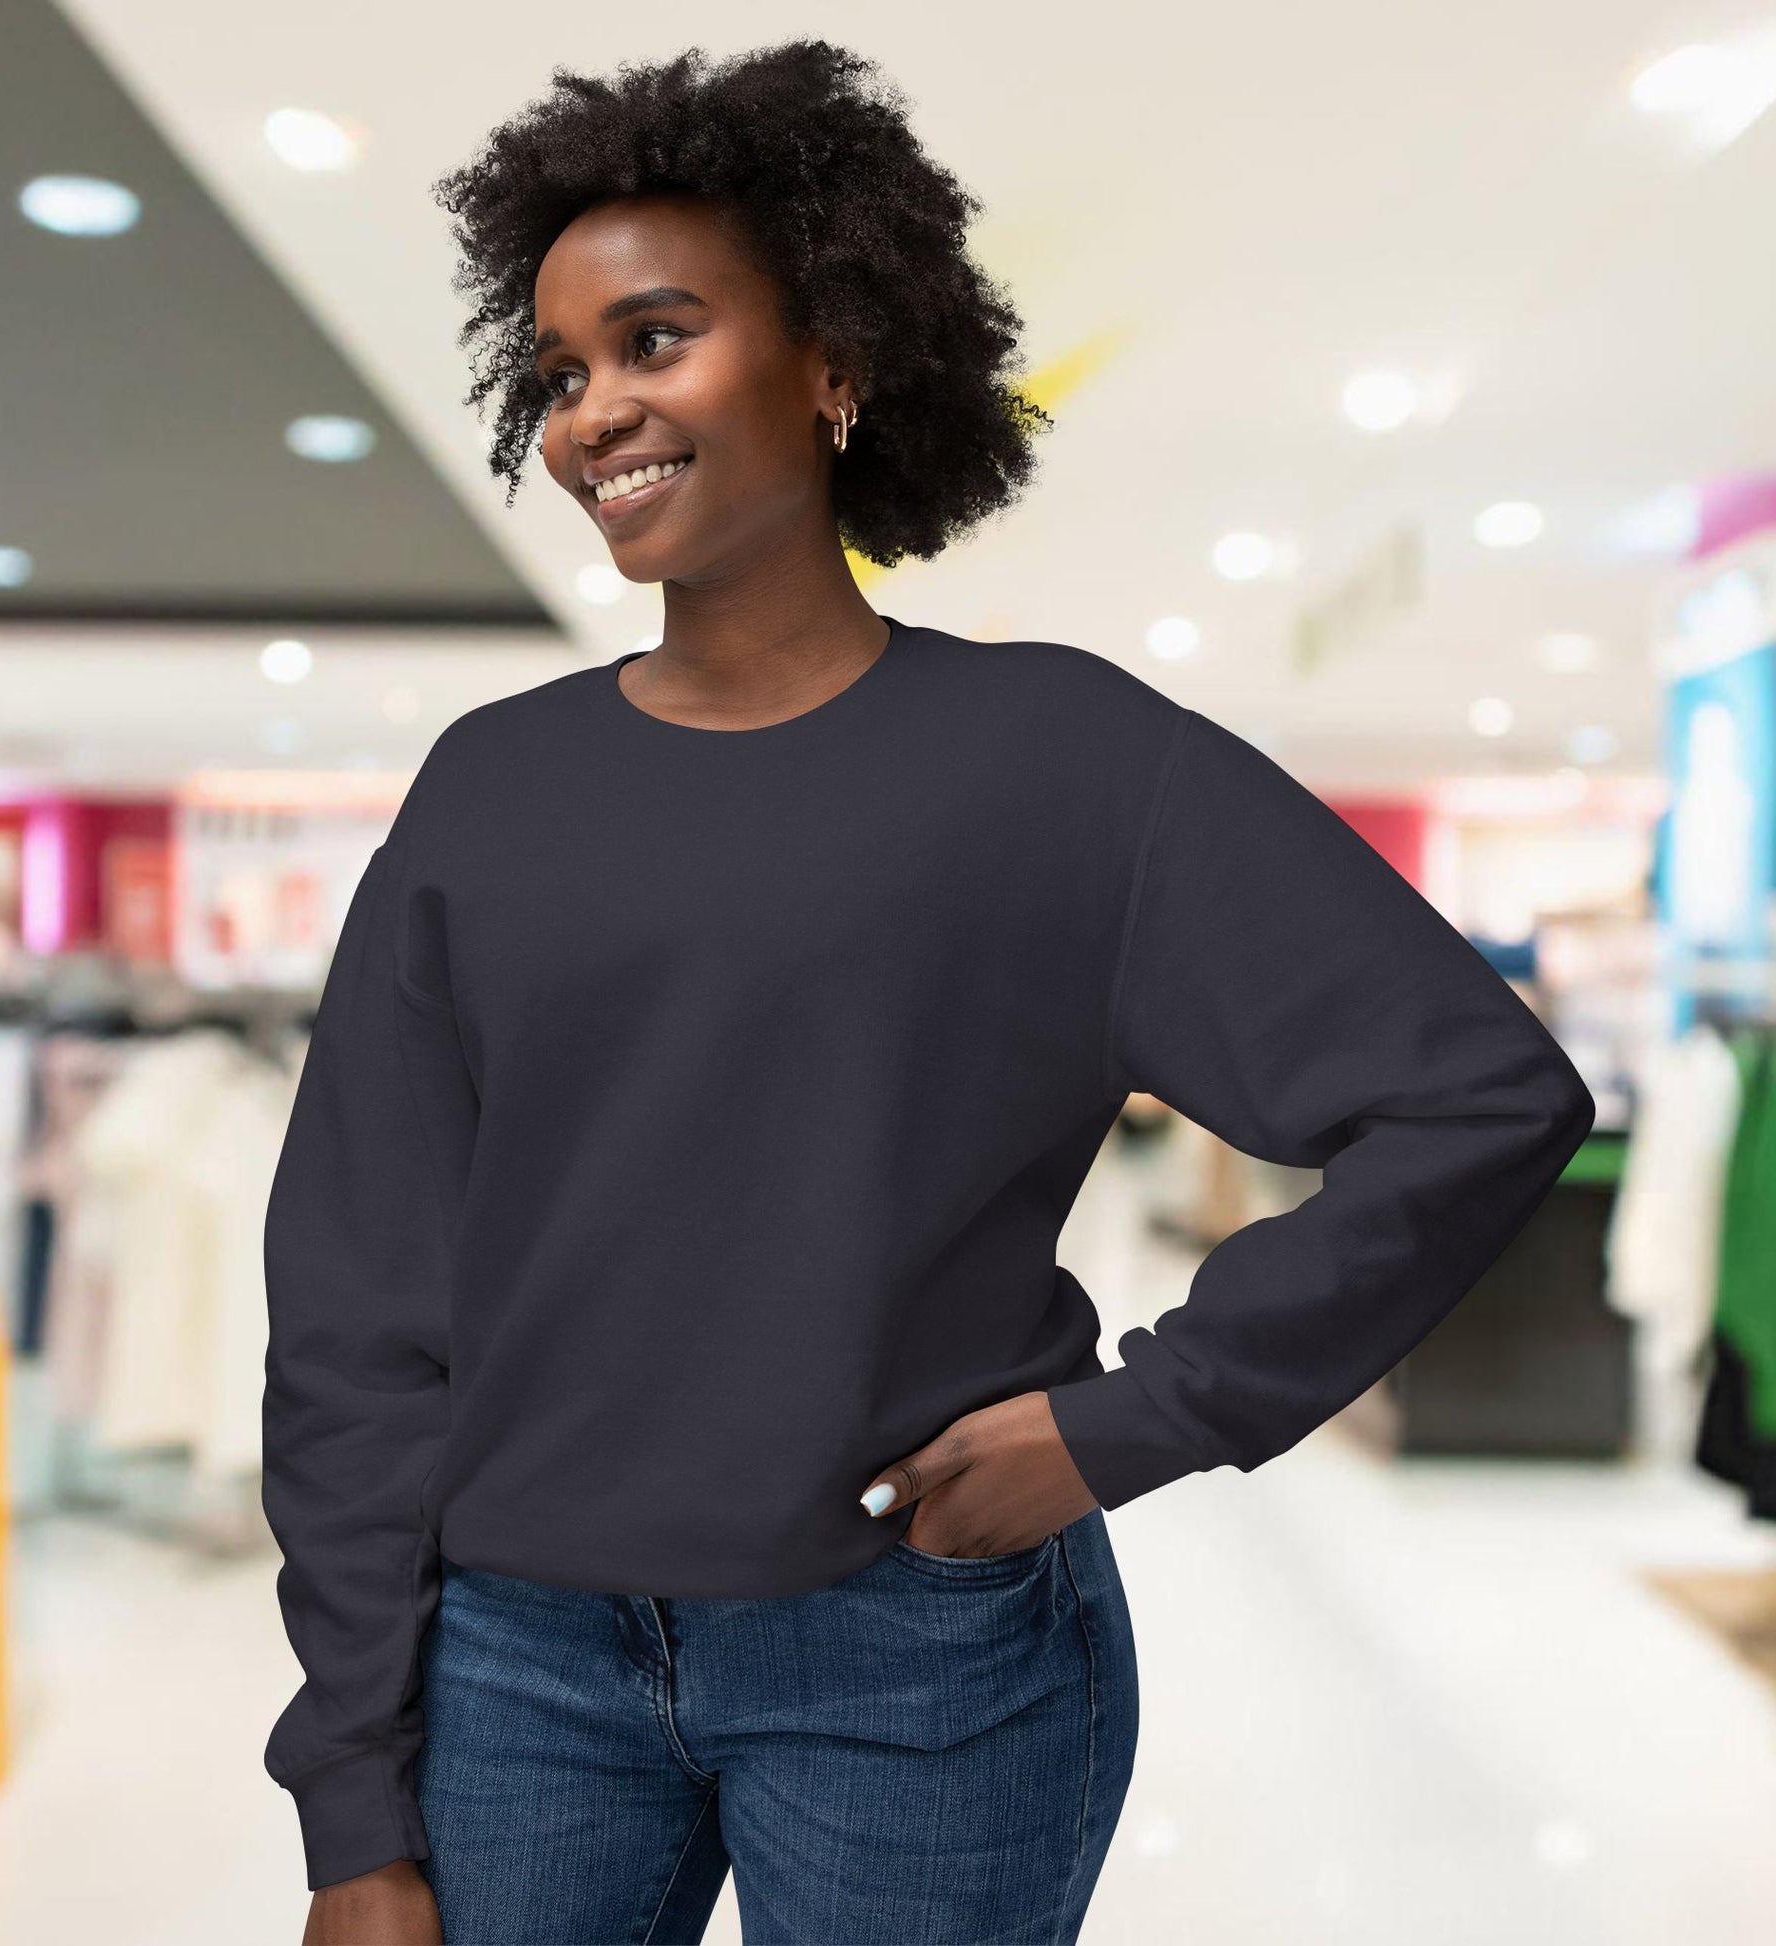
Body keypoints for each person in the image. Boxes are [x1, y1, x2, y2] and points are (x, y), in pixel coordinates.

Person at [260, 40, 1596, 1946]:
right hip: (515, 1665)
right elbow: (355, 1301)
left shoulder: (1062, 760)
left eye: (653, 339)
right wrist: (349, 1801)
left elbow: (1476, 1095)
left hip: (921, 1658)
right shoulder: (492, 786)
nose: (588, 414)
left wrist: (1141, 1417)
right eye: (555, 373)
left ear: (834, 358)